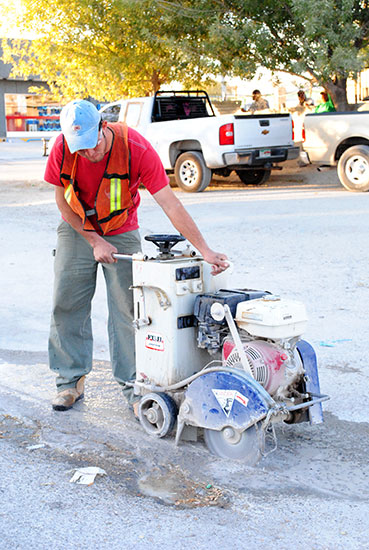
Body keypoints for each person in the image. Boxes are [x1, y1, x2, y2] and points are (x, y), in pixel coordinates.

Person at [44, 99, 229, 413]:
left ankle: (134, 388)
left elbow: (170, 204)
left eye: (92, 144)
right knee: (67, 303)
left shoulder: (135, 147)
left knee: (129, 310)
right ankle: (69, 382)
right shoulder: (63, 147)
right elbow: (62, 204)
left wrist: (205, 250)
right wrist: (92, 240)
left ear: (104, 127)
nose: (88, 153)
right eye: (81, 148)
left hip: (121, 227)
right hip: (77, 228)